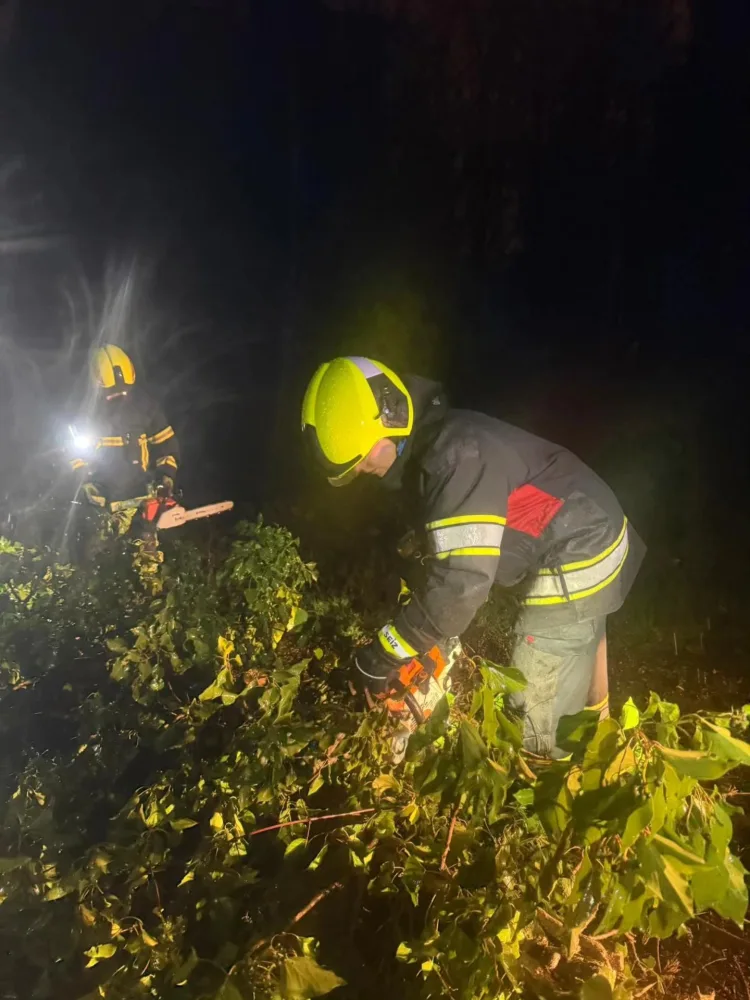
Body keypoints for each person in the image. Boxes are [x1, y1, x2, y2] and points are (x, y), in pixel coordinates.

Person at [301, 356, 645, 758]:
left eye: (360, 462)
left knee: (536, 700)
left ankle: (555, 778)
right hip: (583, 515)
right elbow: (485, 523)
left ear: (383, 435)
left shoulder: (453, 458)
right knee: (581, 631)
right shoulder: (441, 441)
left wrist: (381, 656)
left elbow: (460, 586)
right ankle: (602, 737)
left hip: (580, 545)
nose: (361, 471)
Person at [69, 344, 180, 545]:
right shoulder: (86, 415)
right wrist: (86, 484)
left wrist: (166, 478)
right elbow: (74, 456)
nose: (118, 397)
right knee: (98, 552)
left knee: (147, 556)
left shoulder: (146, 407)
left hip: (142, 497)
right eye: (112, 393)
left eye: (123, 392)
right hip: (103, 502)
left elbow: (167, 447)